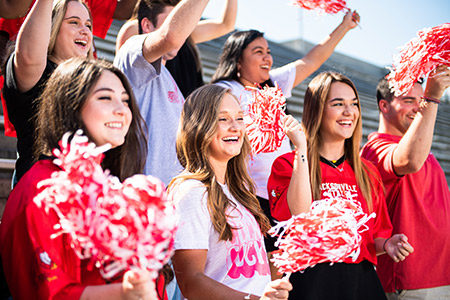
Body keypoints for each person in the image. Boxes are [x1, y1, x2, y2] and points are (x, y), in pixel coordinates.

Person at [0, 58, 168, 300]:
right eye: (105, 97)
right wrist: (124, 293)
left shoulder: (113, 188)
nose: (121, 110)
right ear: (70, 106)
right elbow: (46, 292)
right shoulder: (43, 188)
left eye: (125, 100)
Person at [210, 10, 360, 276]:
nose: (267, 57)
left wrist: (344, 26)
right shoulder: (225, 90)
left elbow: (312, 59)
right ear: (238, 60)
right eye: (258, 51)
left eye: (268, 51)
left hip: (283, 192)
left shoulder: (273, 86)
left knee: (281, 272)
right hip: (246, 196)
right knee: (257, 272)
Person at [267, 71, 414, 300]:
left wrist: (388, 244)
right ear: (316, 109)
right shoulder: (287, 164)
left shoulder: (368, 173)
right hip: (311, 282)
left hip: (360, 283)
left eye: (353, 104)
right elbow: (300, 215)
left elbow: (370, 240)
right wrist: (302, 150)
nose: (349, 112)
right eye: (338, 104)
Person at [169, 84, 292, 300]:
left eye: (240, 118)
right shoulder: (191, 192)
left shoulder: (240, 193)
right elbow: (191, 282)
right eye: (223, 119)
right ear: (199, 125)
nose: (235, 127)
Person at [360, 65, 450, 300]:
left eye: (421, 100)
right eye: (409, 100)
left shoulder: (422, 149)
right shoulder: (375, 149)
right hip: (410, 281)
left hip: (440, 275)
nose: (418, 107)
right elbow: (408, 160)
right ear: (384, 106)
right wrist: (432, 97)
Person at [114, 0, 210, 186]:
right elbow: (170, 37)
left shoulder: (169, 79)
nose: (182, 33)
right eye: (171, 21)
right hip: (141, 195)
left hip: (170, 199)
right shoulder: (131, 52)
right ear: (147, 25)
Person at [1, 0, 95, 184]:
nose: (85, 31)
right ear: (50, 28)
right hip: (39, 197)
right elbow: (28, 59)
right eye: (74, 22)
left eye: (88, 25)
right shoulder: (37, 73)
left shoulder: (93, 83)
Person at [115, 0, 237, 98]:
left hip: (184, 107)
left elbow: (226, 24)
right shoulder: (135, 27)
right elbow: (125, 77)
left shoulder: (186, 30)